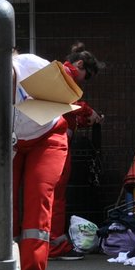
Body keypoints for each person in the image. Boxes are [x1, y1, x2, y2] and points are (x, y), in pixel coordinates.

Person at [0, 45, 90, 270]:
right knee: (2, 198)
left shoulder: (33, 65)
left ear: (9, 65)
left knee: (39, 194)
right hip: (7, 143)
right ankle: (6, 262)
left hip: (47, 137)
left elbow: (66, 94)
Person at [47, 43, 105, 259]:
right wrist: (87, 110)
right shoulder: (65, 74)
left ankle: (50, 242)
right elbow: (63, 102)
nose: (84, 80)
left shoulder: (59, 75)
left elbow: (65, 110)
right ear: (79, 64)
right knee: (57, 195)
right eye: (86, 75)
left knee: (52, 195)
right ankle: (54, 244)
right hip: (56, 145)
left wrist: (82, 117)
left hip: (55, 141)